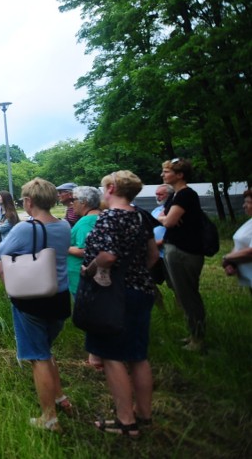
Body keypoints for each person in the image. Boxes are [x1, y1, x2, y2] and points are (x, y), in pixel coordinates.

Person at [81, 170, 159, 437]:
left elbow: (108, 255)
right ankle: (144, 415)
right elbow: (153, 255)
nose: (103, 193)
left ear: (112, 188)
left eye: (104, 188)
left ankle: (126, 421)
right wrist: (136, 275)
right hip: (142, 291)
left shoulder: (110, 218)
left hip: (115, 296)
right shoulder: (140, 216)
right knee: (138, 356)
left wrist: (89, 269)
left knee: (113, 356)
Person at [0, 178, 72, 433]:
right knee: (46, 350)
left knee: (37, 357)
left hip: (31, 300)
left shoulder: (25, 229)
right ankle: (61, 397)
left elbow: (1, 258)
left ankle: (49, 418)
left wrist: (8, 285)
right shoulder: (64, 226)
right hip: (60, 297)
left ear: (28, 202)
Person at [157, 158, 207, 351]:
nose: (162, 175)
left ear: (180, 175)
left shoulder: (186, 195)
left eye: (167, 172)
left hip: (185, 251)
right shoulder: (175, 196)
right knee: (184, 294)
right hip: (176, 248)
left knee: (189, 295)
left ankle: (198, 339)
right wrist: (165, 218)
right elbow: (164, 216)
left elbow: (168, 221)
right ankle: (193, 334)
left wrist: (165, 218)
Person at [66, 186, 102, 297]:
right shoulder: (101, 216)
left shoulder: (86, 222)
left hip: (81, 279)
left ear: (84, 202)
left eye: (73, 200)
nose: (71, 204)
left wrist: (63, 246)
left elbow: (85, 250)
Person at [221, 189, 252, 293]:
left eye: (248, 202)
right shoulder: (249, 222)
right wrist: (231, 263)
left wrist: (227, 257)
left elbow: (250, 252)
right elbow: (241, 245)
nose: (244, 205)